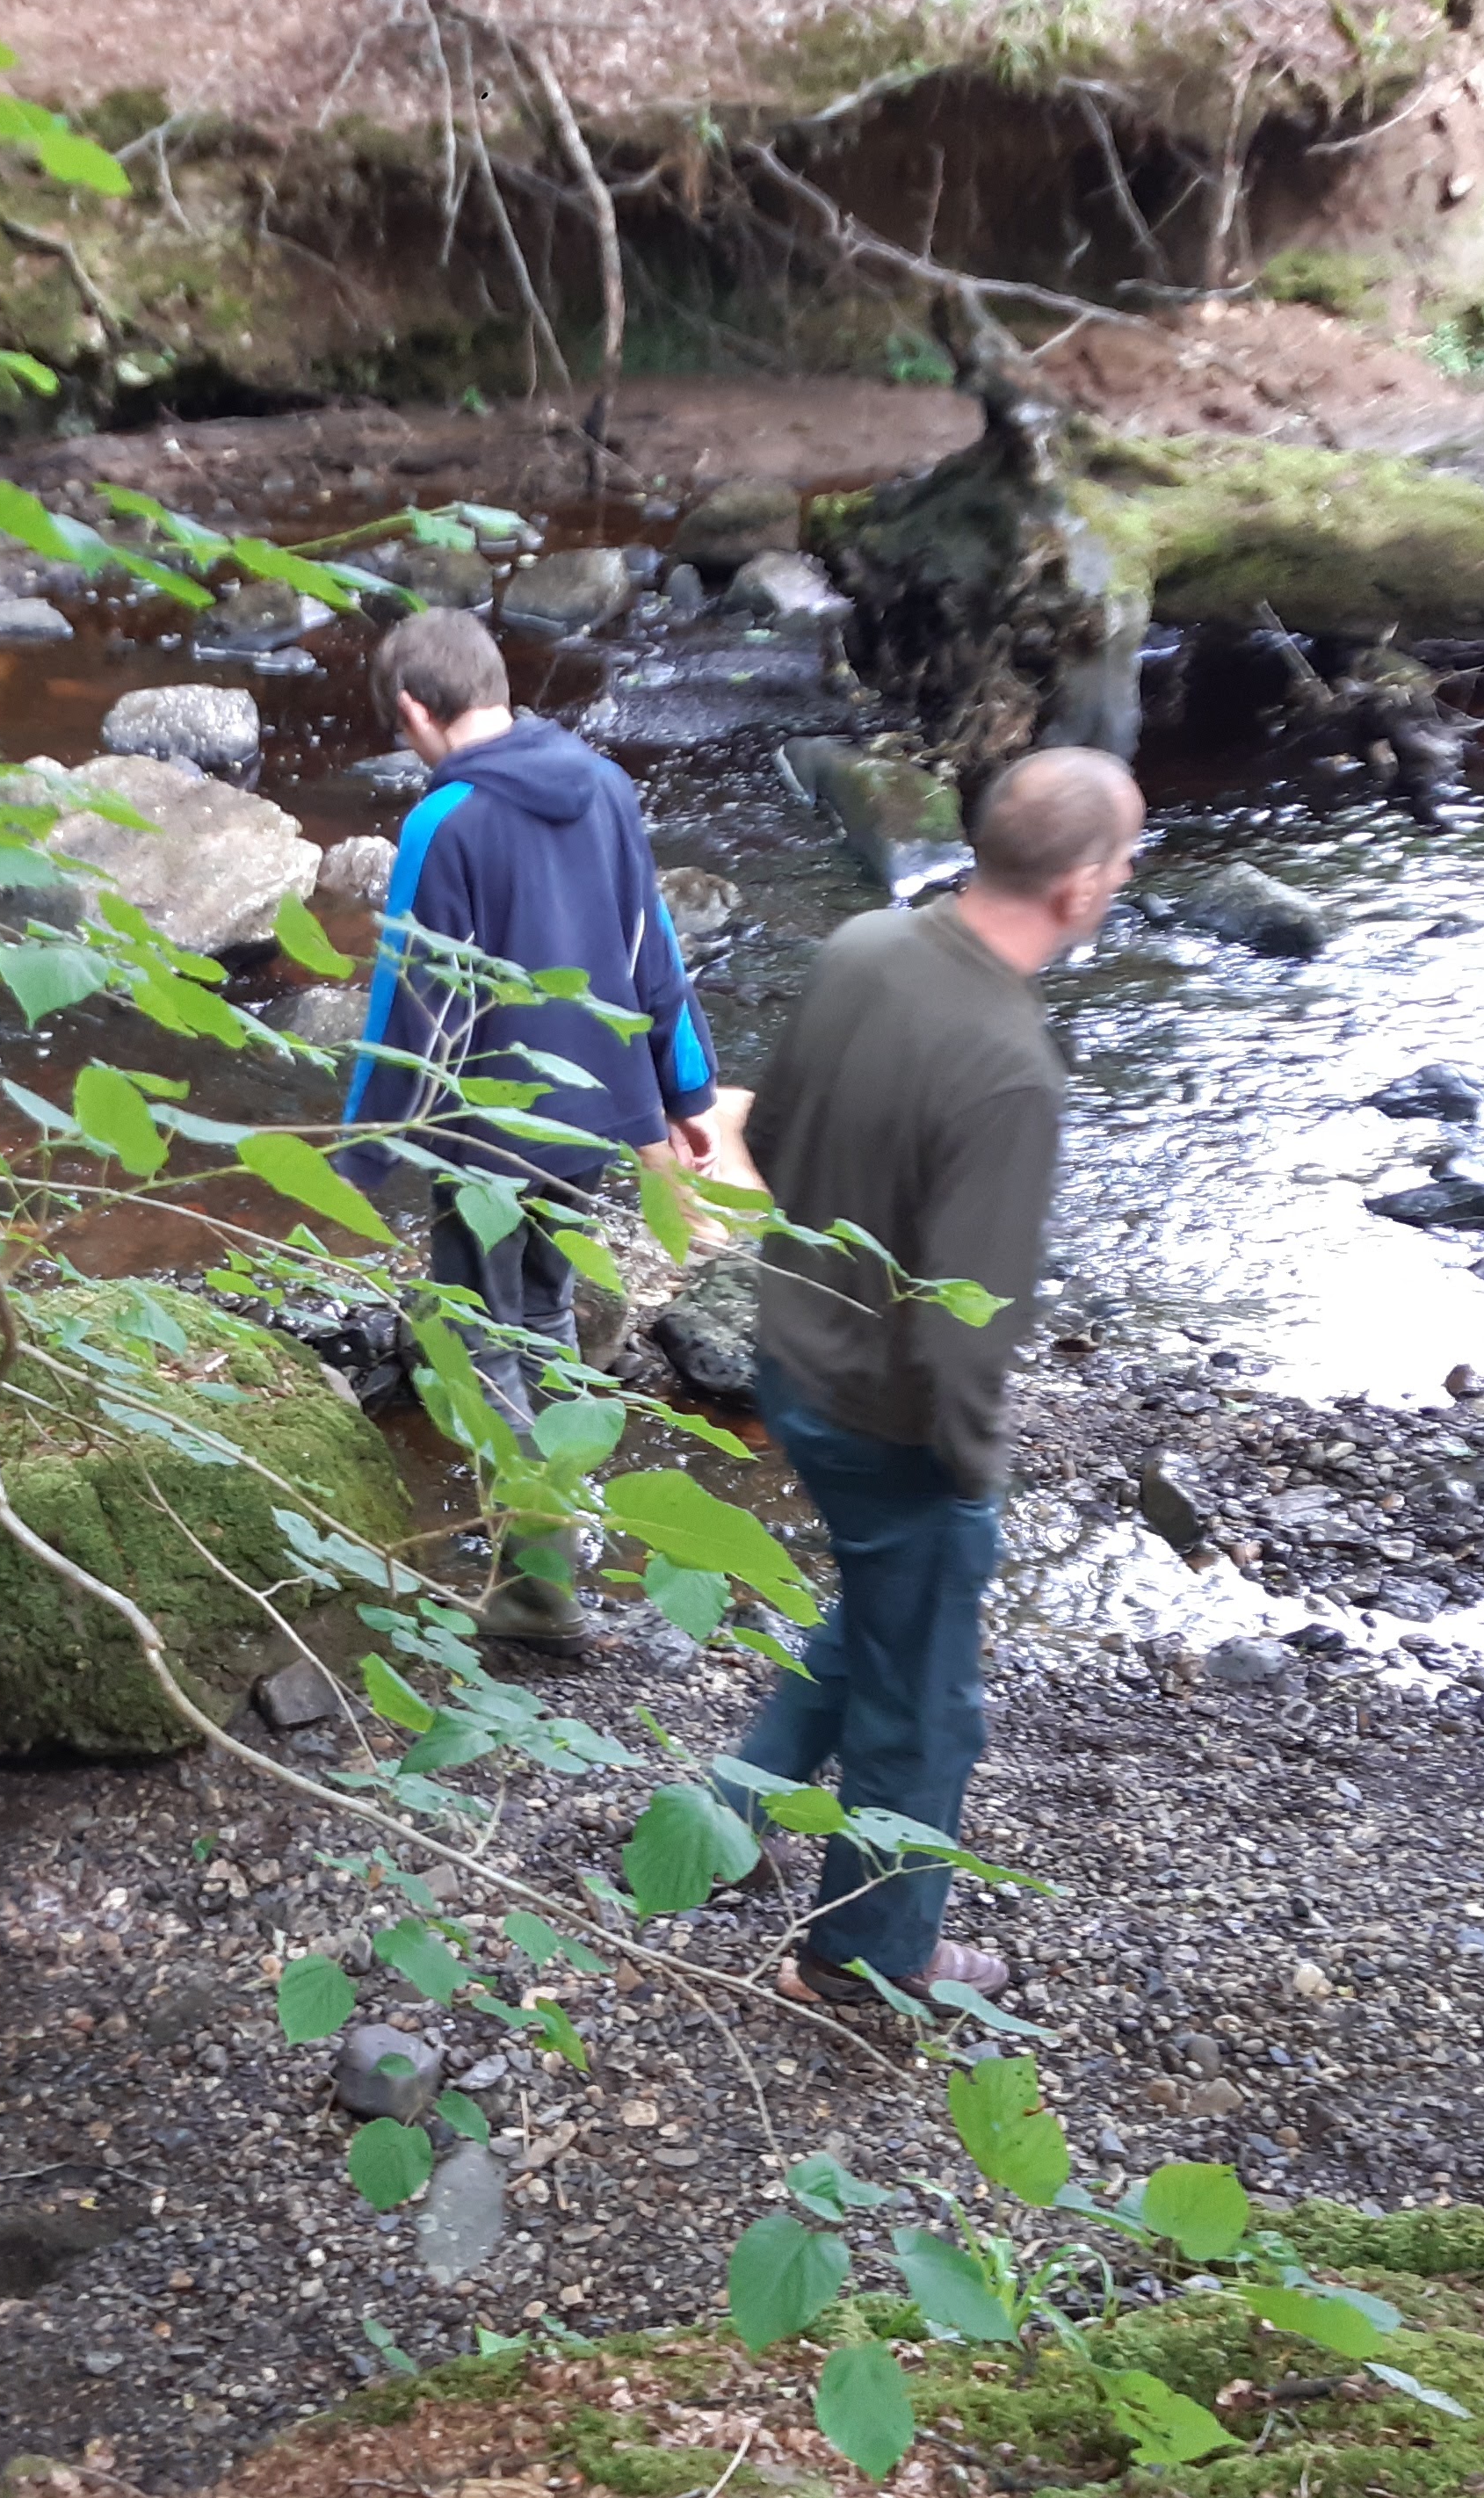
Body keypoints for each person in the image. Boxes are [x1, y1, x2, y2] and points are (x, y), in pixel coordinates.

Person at [728, 742, 1143, 2004]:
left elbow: (774, 1139)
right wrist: (971, 1476)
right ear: (1078, 886)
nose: (1125, 882)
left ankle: (728, 1817)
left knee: (876, 1610)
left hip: (789, 1360)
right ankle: (866, 1957)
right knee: (923, 1709)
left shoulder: (864, 945)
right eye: (1125, 861)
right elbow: (969, 1334)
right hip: (890, 1423)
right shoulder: (1011, 1069)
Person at [337, 606, 716, 1642]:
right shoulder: (604, 784)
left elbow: (418, 1003)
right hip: (592, 1119)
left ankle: (537, 1586)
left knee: (473, 1334)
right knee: (544, 1313)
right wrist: (685, 1091)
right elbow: (653, 949)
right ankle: (564, 1533)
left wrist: (359, 1155)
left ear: (415, 708)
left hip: (489, 1134)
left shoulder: (445, 821)